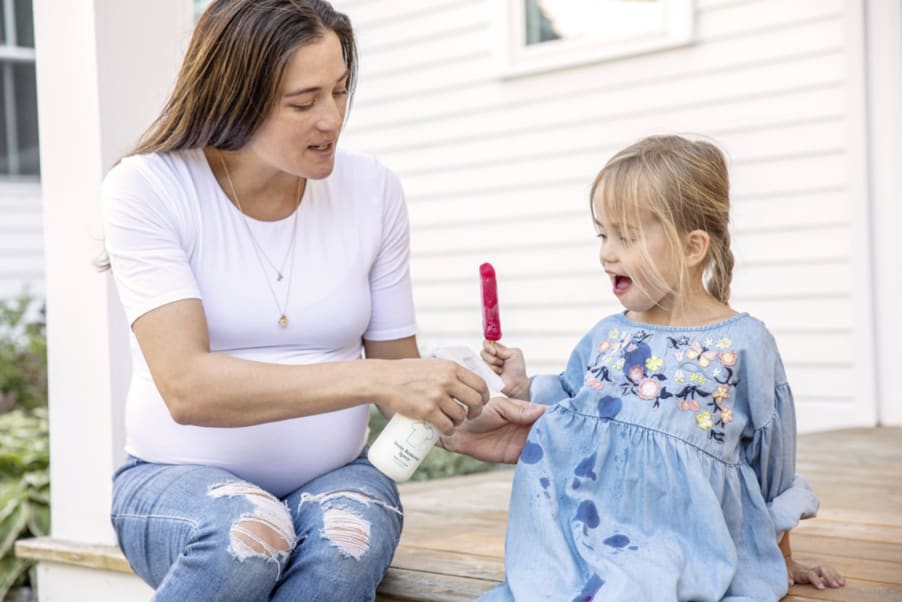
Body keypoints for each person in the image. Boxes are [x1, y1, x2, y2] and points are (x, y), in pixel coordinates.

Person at [100, 1, 544, 600]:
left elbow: (396, 373)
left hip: (336, 476)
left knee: (343, 547)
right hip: (171, 480)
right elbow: (187, 387)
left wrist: (456, 418)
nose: (332, 118)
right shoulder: (149, 186)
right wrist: (375, 381)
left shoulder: (372, 191)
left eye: (339, 90)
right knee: (246, 538)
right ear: (232, 98)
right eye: (303, 102)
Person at [480, 135, 846, 601]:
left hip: (691, 547)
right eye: (602, 235)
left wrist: (781, 557)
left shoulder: (745, 344)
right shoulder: (608, 334)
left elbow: (771, 463)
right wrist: (523, 385)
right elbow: (574, 402)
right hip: (587, 540)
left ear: (693, 247)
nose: (606, 253)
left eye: (626, 237)